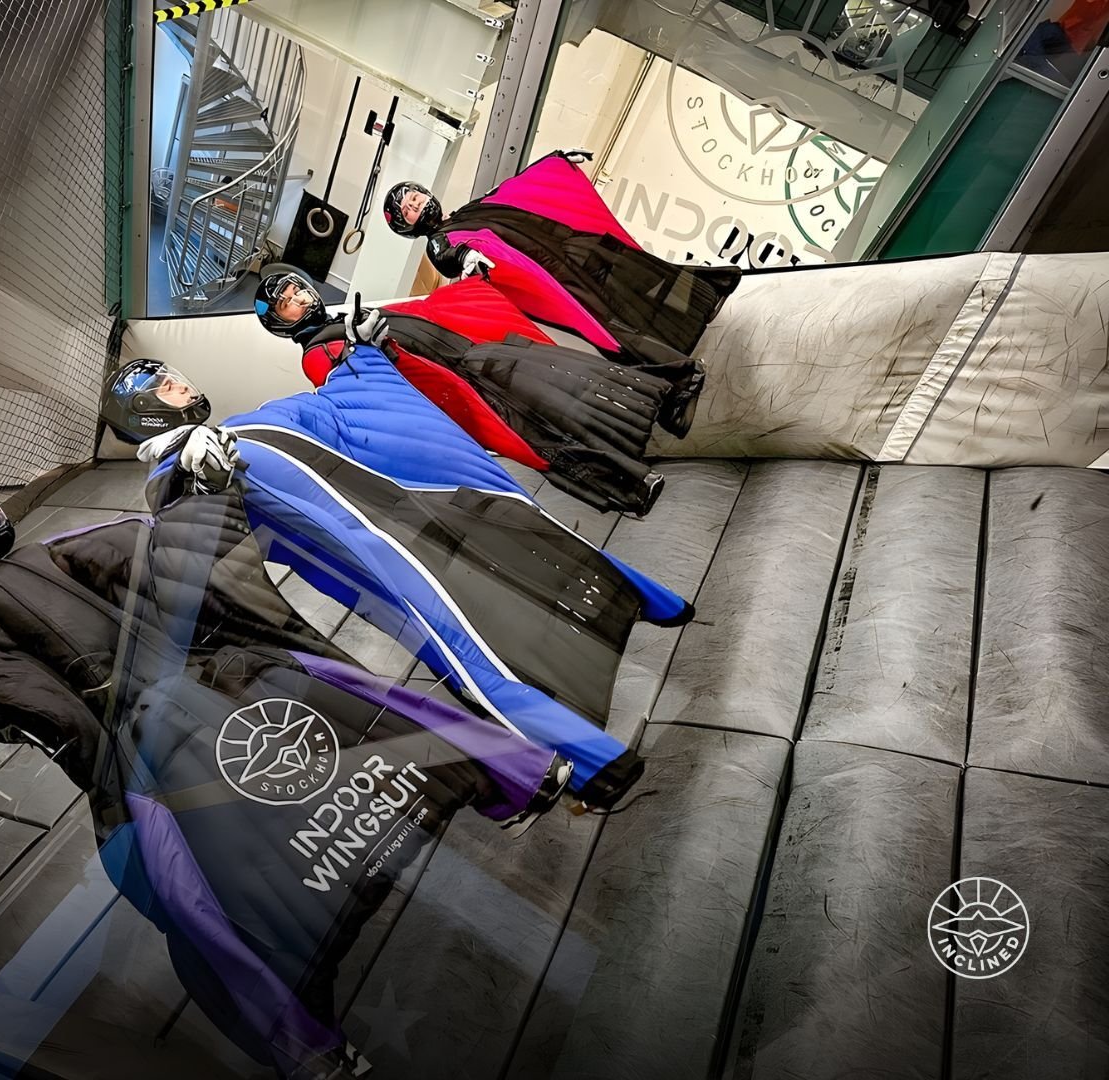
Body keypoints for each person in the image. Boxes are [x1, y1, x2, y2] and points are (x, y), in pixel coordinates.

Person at [0, 429, 570, 1078]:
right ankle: (304, 1050)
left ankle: (519, 776)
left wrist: (200, 488)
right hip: (141, 755)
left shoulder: (56, 552)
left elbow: (159, 543)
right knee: (197, 905)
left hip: (214, 686)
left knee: (377, 705)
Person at [140, 339, 691, 817]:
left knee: (539, 552)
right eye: (164, 387)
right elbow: (179, 523)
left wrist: (357, 350)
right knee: (473, 662)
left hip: (426, 522)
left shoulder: (246, 426)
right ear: (142, 411)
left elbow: (338, 404)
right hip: (385, 572)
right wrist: (184, 470)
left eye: (175, 377)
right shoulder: (181, 467)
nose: (180, 385)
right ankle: (602, 768)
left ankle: (657, 607)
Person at [253, 264, 706, 515]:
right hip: (467, 388)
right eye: (287, 304)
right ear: (280, 321)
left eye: (296, 291)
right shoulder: (318, 350)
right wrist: (373, 347)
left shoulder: (345, 319)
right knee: (545, 435)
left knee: (576, 386)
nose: (298, 299)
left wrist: (470, 283)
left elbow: (423, 319)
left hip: (479, 360)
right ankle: (630, 485)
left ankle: (666, 403)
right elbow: (365, 388)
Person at [383, 149, 741, 356]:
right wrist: (465, 259)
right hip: (555, 272)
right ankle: (671, 350)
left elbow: (512, 189)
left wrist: (554, 163)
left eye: (416, 197)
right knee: (611, 315)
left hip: (571, 248)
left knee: (637, 272)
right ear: (407, 225)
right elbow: (449, 255)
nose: (418, 204)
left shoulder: (467, 212)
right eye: (410, 209)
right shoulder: (439, 241)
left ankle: (696, 305)